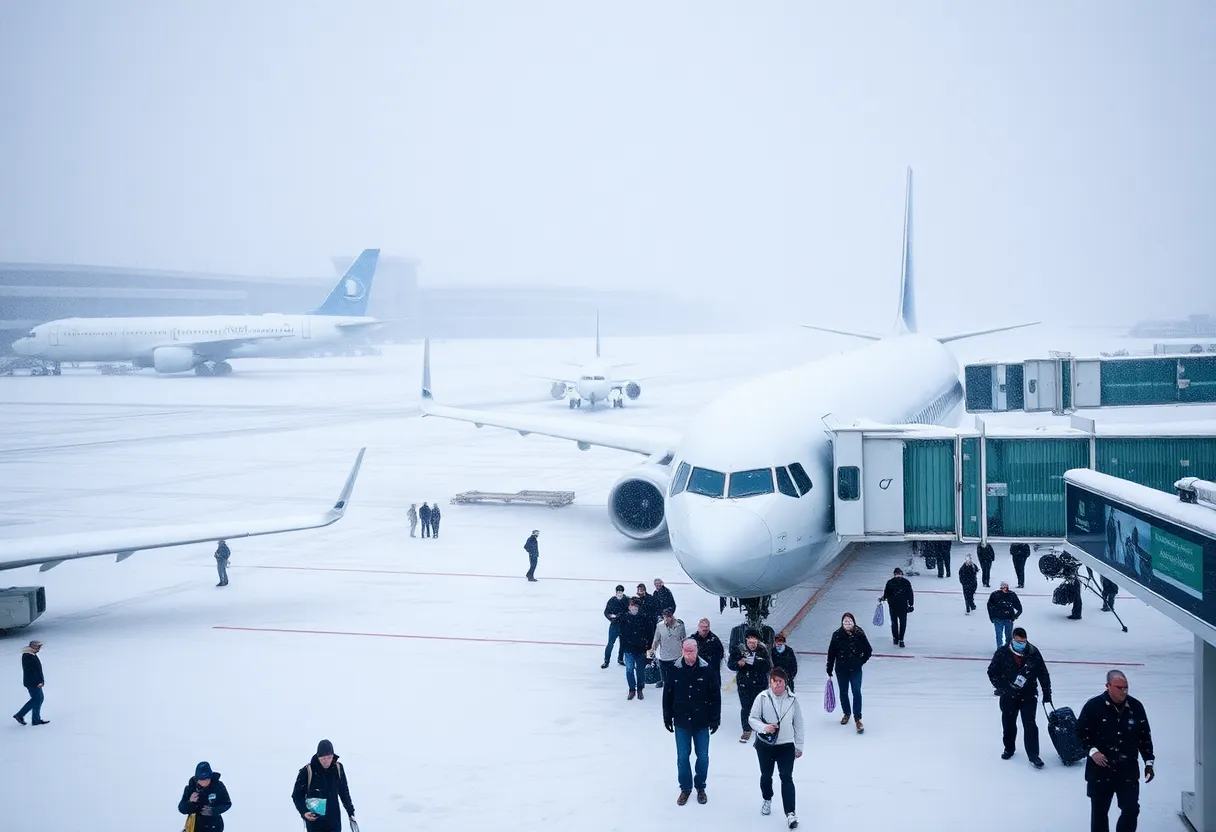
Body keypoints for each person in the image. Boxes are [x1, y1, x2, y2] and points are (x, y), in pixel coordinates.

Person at [1076, 670, 1155, 832]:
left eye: (1126, 688)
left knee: (1131, 809)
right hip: (1100, 770)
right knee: (1099, 812)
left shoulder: (1136, 707)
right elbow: (1080, 732)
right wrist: (1092, 751)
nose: (1124, 692)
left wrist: (1149, 761)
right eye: (1120, 688)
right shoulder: (1093, 707)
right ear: (1108, 686)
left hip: (1127, 770)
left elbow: (1144, 736)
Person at [662, 639, 721, 806]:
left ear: (697, 651)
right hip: (681, 722)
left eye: (692, 651)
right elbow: (668, 695)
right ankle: (685, 788)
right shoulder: (674, 669)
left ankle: (700, 786)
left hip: (701, 722)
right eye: (686, 651)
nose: (689, 654)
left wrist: (715, 719)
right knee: (682, 757)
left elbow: (715, 697)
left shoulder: (707, 670)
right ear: (682, 651)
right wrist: (667, 716)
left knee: (702, 757)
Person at [748, 667, 805, 829]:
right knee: (766, 775)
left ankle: (790, 813)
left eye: (780, 682)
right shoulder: (762, 698)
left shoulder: (793, 700)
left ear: (785, 682)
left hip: (786, 745)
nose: (778, 685)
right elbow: (752, 719)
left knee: (786, 777)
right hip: (765, 745)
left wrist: (799, 745)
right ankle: (767, 798)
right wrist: (764, 727)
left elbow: (799, 723)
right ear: (770, 682)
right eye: (775, 682)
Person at [986, 627, 1051, 768]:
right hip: (1008, 695)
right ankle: (1009, 748)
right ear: (1013, 639)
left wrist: (1047, 693)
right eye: (1017, 641)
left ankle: (1034, 755)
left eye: (1023, 641)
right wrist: (1003, 687)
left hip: (1028, 694)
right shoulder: (1003, 652)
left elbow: (1043, 674)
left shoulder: (1033, 653)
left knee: (1030, 724)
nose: (1020, 644)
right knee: (1008, 724)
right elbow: (992, 672)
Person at [292, 739, 356, 832]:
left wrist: (350, 812)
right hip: (315, 822)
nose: (327, 761)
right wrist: (304, 811)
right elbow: (297, 795)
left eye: (329, 757)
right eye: (323, 758)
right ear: (318, 757)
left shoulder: (337, 768)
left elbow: (344, 792)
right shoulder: (307, 771)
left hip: (334, 821)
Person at [826, 612, 872, 734]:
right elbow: (831, 653)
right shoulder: (836, 635)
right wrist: (829, 668)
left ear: (854, 622)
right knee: (843, 691)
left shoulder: (859, 633)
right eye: (845, 622)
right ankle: (846, 713)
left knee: (856, 691)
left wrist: (861, 661)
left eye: (849, 622)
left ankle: (858, 718)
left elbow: (868, 649)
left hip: (856, 669)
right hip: (841, 669)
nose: (847, 624)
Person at [729, 630, 771, 743]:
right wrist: (738, 664)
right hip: (744, 683)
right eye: (749, 641)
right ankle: (746, 729)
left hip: (759, 683)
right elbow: (730, 664)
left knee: (759, 706)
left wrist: (756, 662)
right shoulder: (739, 650)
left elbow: (767, 667)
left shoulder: (763, 651)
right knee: (746, 706)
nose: (751, 644)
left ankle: (760, 728)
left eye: (754, 641)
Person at [178, 761, 232, 832]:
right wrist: (190, 802)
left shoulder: (218, 786)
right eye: (201, 780)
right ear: (197, 779)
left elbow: (227, 803)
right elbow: (182, 809)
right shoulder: (190, 789)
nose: (204, 782)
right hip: (194, 827)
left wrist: (213, 810)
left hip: (214, 827)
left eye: (206, 779)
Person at [618, 597, 652, 700]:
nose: (633, 608)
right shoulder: (624, 619)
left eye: (635, 607)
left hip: (640, 649)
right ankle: (632, 689)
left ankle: (640, 688)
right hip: (628, 649)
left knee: (640, 670)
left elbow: (649, 633)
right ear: (629, 607)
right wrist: (621, 651)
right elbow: (622, 636)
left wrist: (648, 647)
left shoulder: (644, 618)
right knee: (629, 670)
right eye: (632, 606)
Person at [12, 639, 48, 726]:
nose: (39, 649)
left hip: (35, 682)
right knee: (37, 699)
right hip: (33, 682)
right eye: (38, 647)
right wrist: (38, 682)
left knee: (38, 699)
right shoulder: (28, 656)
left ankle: (36, 719)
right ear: (34, 647)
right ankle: (20, 715)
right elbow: (31, 671)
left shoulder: (31, 654)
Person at [650, 608, 687, 688]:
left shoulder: (679, 625)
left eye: (669, 616)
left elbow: (683, 638)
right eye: (665, 617)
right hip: (664, 655)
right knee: (666, 678)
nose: (667, 618)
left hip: (677, 654)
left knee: (677, 676)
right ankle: (665, 684)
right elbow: (656, 639)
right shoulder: (660, 626)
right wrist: (653, 649)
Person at [879, 567, 914, 647]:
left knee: (897, 623)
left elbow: (886, 594)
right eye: (897, 574)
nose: (898, 576)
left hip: (896, 605)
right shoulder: (904, 582)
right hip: (898, 606)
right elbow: (910, 594)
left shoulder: (891, 582)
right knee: (899, 623)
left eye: (899, 574)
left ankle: (898, 639)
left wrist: (911, 604)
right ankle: (898, 639)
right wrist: (911, 604)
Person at [987, 581, 1022, 652]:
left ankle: (1007, 649)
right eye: (1003, 587)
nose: (1004, 589)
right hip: (998, 618)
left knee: (1008, 636)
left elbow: (1019, 608)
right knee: (999, 635)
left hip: (1008, 618)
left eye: (1006, 587)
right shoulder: (995, 595)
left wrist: (1014, 616)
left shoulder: (1011, 595)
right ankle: (1000, 649)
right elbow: (989, 606)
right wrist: (992, 616)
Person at [692, 618, 725, 688]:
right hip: (697, 675)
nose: (705, 632)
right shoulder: (692, 640)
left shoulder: (715, 640)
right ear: (698, 628)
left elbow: (721, 655)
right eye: (703, 629)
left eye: (706, 630)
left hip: (712, 674)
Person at [601, 585, 628, 668]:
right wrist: (611, 619)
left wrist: (622, 616)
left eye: (621, 591)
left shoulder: (626, 600)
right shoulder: (612, 600)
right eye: (618, 591)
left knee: (623, 643)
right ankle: (606, 660)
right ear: (616, 592)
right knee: (610, 643)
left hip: (623, 625)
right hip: (614, 625)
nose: (619, 593)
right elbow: (606, 612)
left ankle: (620, 659)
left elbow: (629, 611)